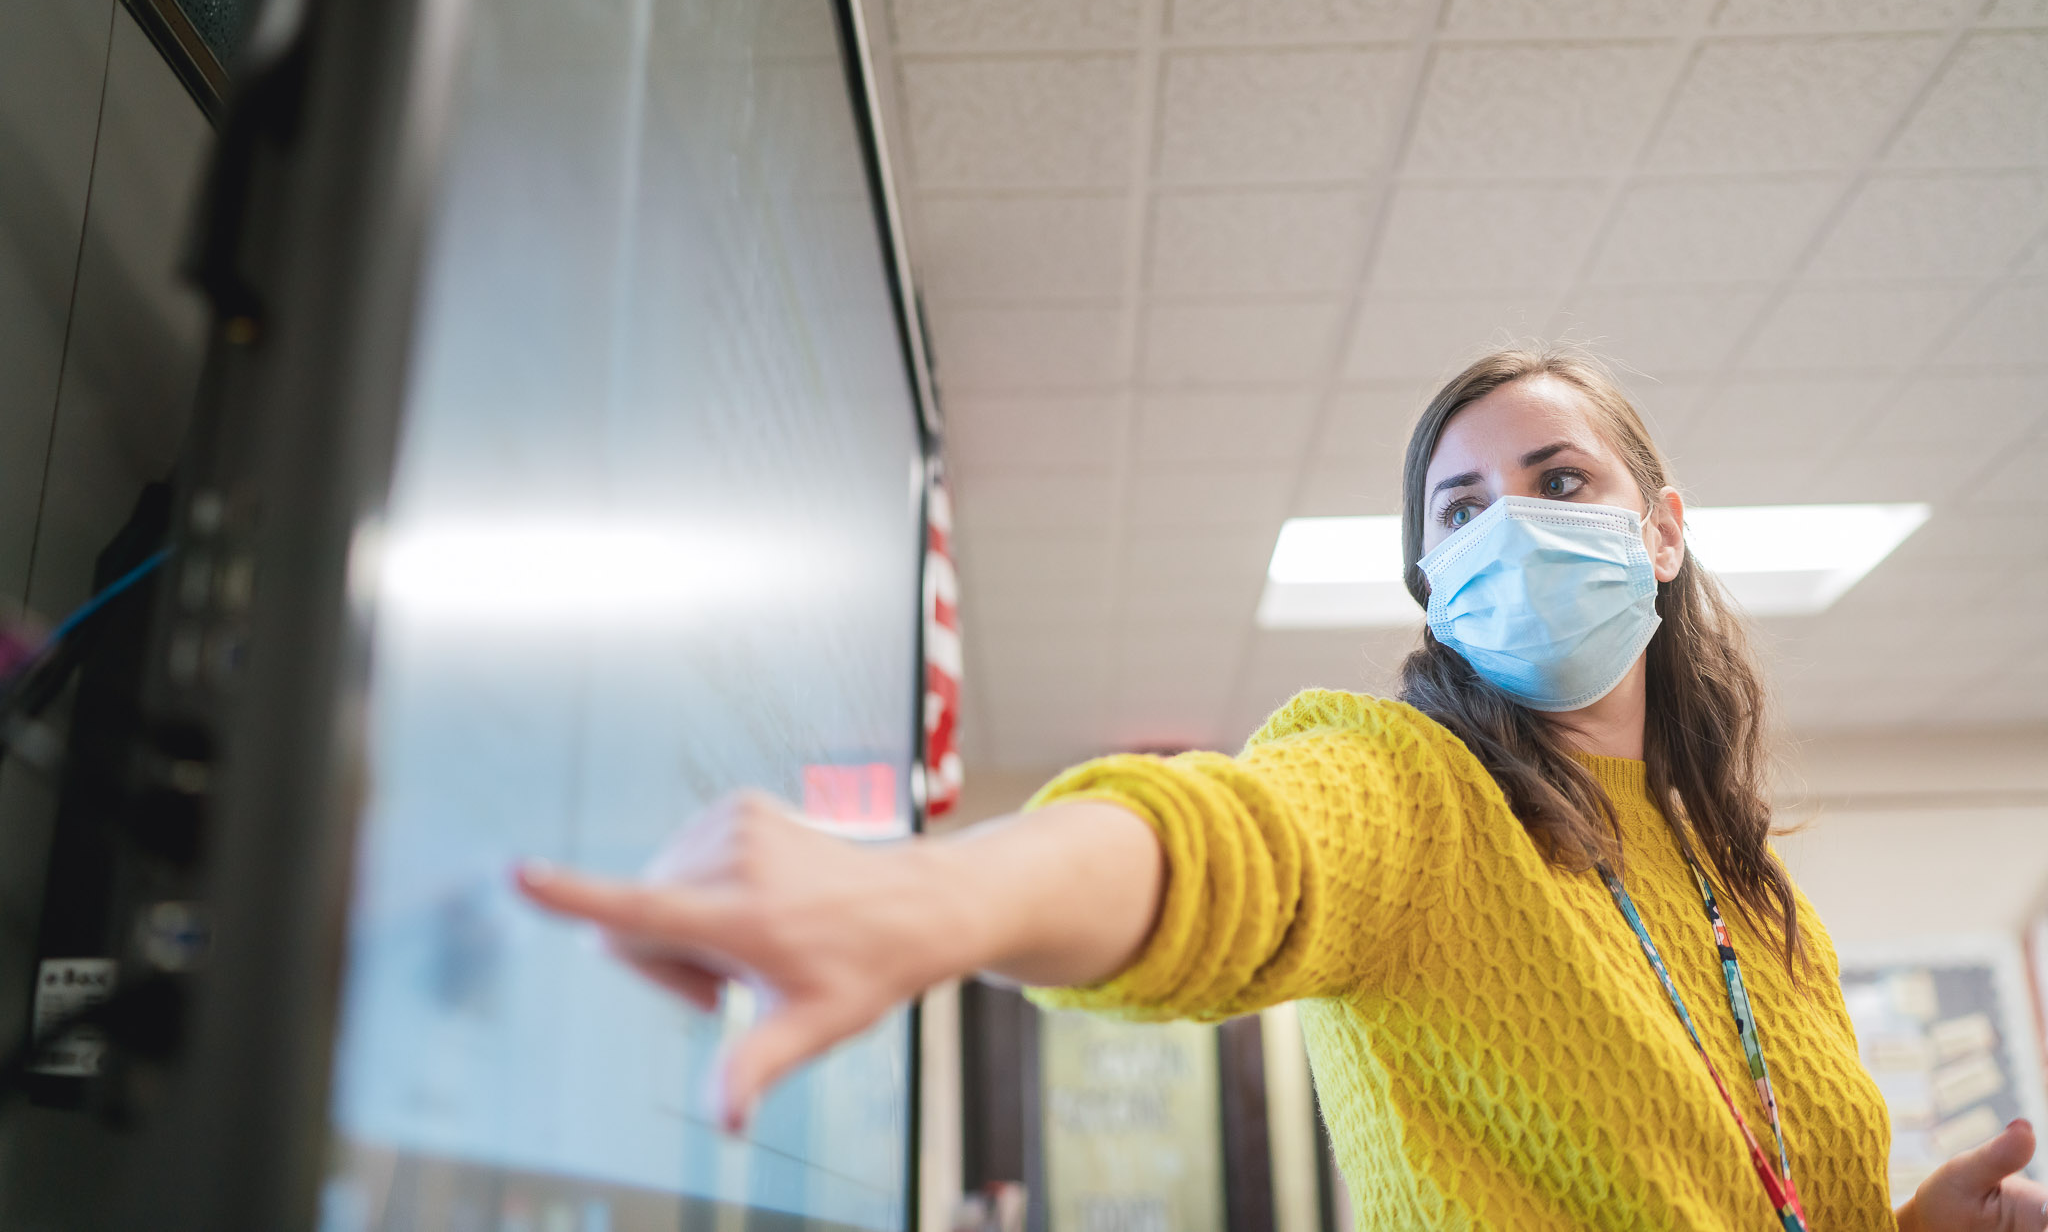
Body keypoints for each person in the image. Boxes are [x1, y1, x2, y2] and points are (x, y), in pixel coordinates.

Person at [517, 347, 2045, 1231]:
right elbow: (1242, 847)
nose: (1509, 521)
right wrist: (929, 892)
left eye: (1559, 478)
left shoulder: (1756, 899)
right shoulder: (1419, 791)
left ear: (1660, 528)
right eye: (1463, 507)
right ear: (1432, 584)